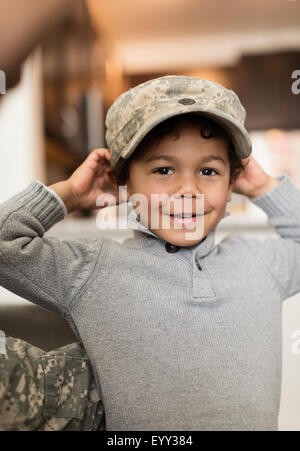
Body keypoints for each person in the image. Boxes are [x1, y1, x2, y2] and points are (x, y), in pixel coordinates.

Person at [0, 75, 299, 431]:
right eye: (163, 170)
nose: (188, 188)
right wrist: (68, 194)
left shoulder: (259, 264)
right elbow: (6, 245)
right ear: (122, 182)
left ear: (232, 181)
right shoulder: (93, 271)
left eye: (209, 170)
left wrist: (266, 188)